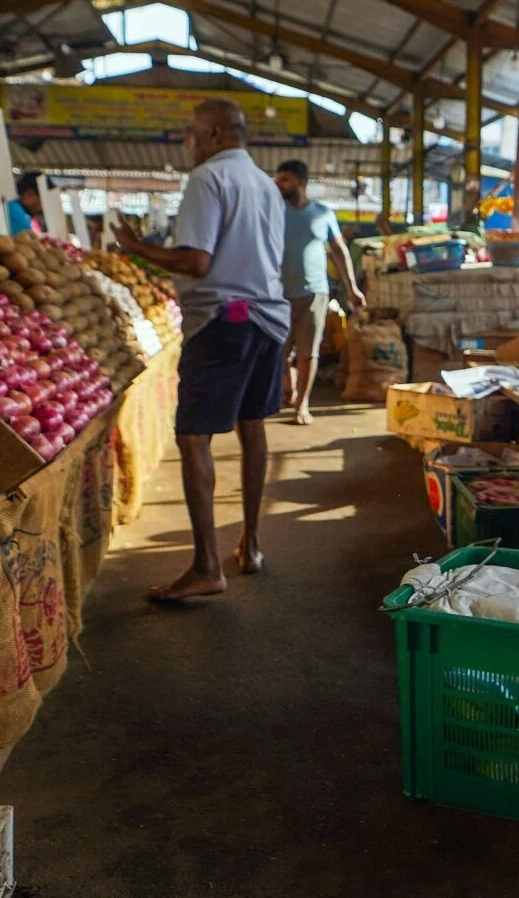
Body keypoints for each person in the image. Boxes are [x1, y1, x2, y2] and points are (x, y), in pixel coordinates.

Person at [112, 99, 288, 603]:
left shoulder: (209, 179)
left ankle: (207, 565)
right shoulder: (264, 185)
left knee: (193, 438)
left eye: (189, 134)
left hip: (223, 321)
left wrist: (136, 246)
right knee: (252, 429)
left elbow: (196, 260)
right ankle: (250, 545)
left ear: (212, 134)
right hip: (267, 321)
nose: (186, 143)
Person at [272, 158, 365, 425]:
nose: (279, 185)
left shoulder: (323, 214)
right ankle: (285, 389)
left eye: (285, 179)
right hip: (277, 295)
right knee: (277, 352)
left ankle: (302, 404)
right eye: (278, 180)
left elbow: (339, 251)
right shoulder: (274, 211)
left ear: (301, 182)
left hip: (314, 294)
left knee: (308, 352)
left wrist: (352, 288)